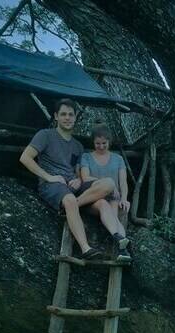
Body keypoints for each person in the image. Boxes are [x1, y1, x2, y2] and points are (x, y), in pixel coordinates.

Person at [19, 98, 115, 260]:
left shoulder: (77, 146)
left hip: (74, 186)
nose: (67, 118)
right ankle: (86, 249)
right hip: (53, 186)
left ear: (76, 116)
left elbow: (77, 170)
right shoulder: (45, 135)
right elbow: (25, 158)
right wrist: (49, 177)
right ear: (56, 116)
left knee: (108, 184)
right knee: (69, 199)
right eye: (63, 114)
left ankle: (118, 238)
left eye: (71, 114)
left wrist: (78, 179)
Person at [79, 124, 131, 261]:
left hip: (113, 198)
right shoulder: (86, 157)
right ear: (93, 142)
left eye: (104, 143)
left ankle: (122, 248)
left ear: (109, 141)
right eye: (97, 143)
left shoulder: (118, 159)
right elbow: (85, 178)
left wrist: (124, 198)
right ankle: (121, 242)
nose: (101, 146)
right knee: (103, 203)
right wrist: (108, 183)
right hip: (93, 198)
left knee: (114, 212)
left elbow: (123, 182)